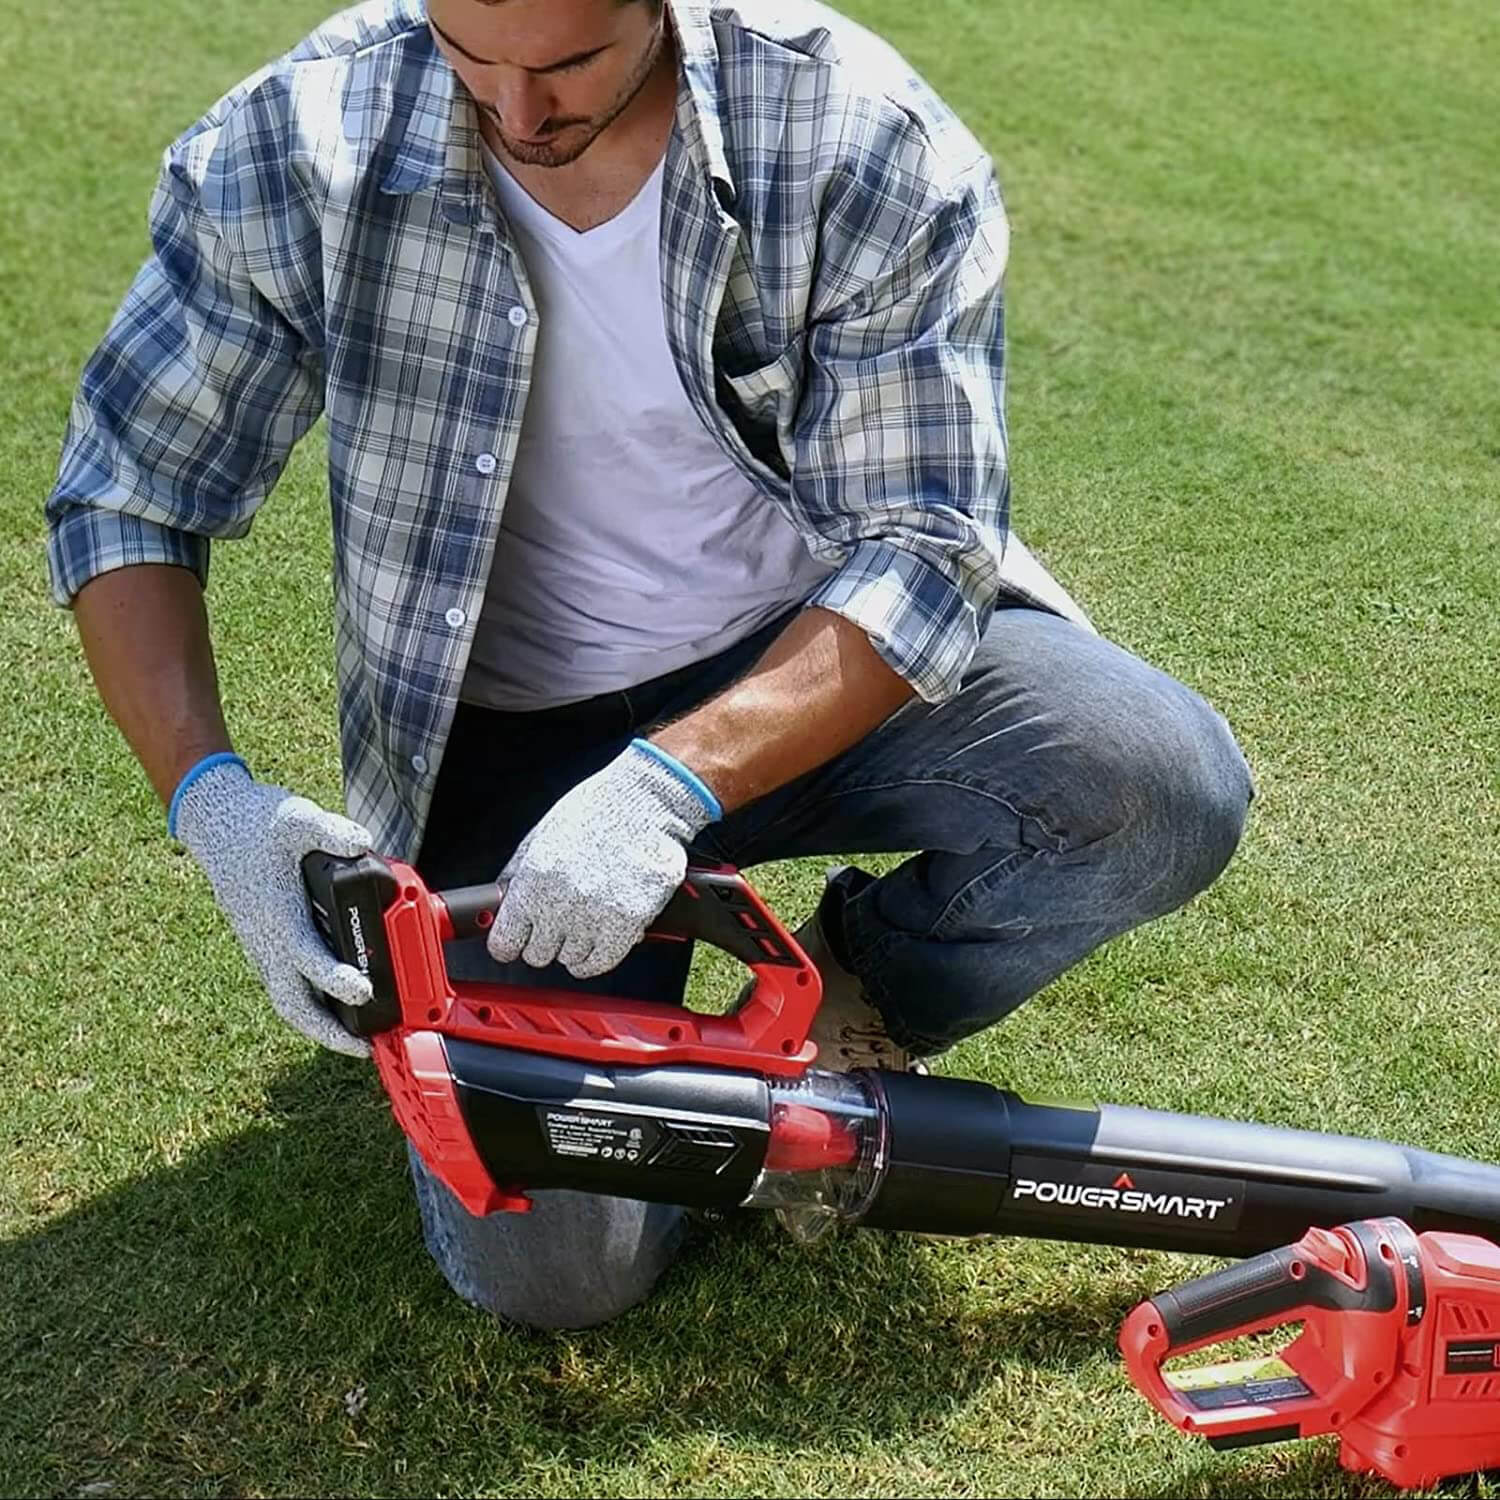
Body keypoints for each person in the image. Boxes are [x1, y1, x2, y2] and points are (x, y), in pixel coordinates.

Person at [44, 0, 1254, 1330]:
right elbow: (128, 493)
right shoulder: (294, 141)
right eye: (470, 60)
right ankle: (697, 1110)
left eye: (567, 66)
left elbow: (923, 549)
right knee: (557, 1277)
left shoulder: (859, 137)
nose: (515, 114)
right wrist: (211, 799)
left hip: (813, 662)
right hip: (499, 736)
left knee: (1156, 781)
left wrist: (666, 785)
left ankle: (857, 992)